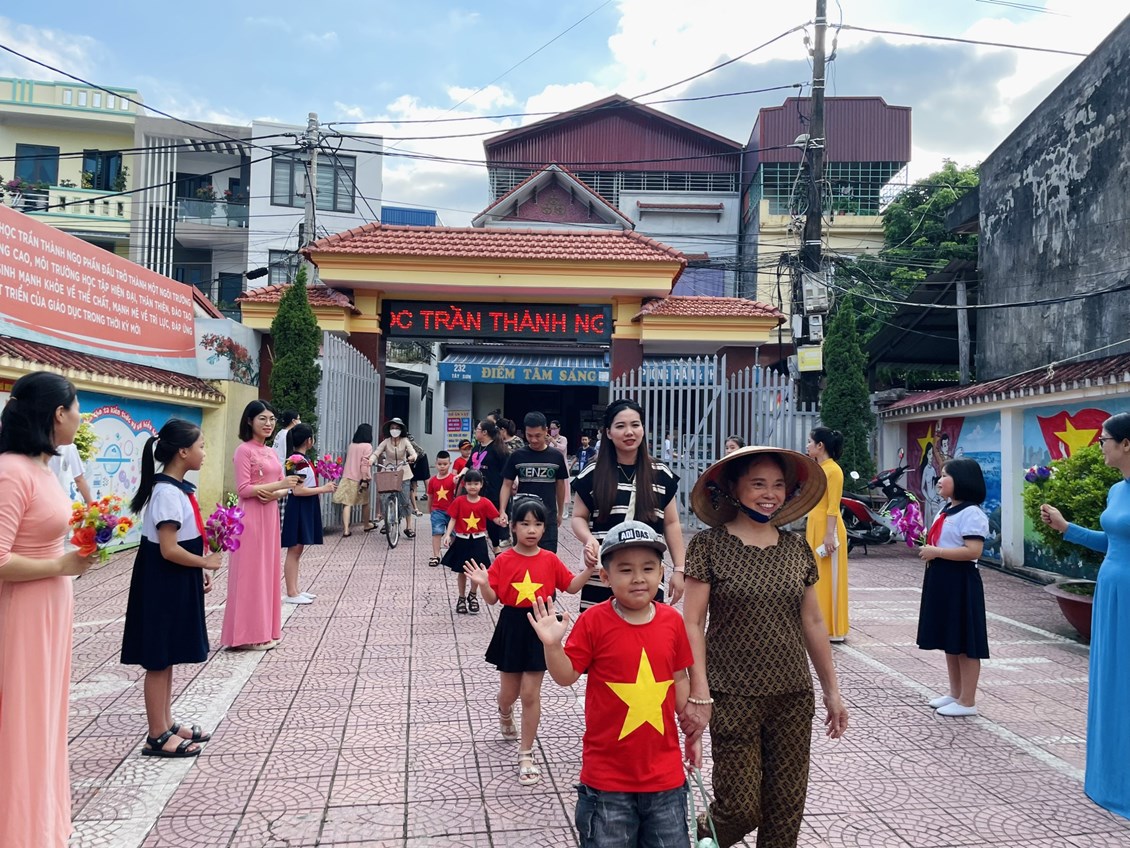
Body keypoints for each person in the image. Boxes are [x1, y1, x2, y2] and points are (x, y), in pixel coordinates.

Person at [681, 446, 849, 847]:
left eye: (777, 485)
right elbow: (692, 622)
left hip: (792, 694)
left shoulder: (796, 549)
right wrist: (699, 691)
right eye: (758, 484)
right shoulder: (708, 545)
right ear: (734, 487)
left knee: (785, 812)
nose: (769, 494)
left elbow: (813, 622)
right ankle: (689, 839)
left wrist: (832, 691)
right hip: (731, 692)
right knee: (739, 808)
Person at [530, 520, 699, 846]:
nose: (638, 578)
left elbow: (680, 678)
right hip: (606, 780)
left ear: (661, 573)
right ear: (605, 577)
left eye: (648, 568)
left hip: (665, 778)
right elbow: (566, 676)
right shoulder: (593, 621)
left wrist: (693, 731)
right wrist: (552, 646)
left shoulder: (672, 622)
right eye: (625, 570)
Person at [0, 372, 95, 848]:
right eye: (77, 408)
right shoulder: (11, 472)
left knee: (43, 719)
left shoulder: (42, 467)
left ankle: (40, 824)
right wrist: (60, 564)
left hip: (49, 609)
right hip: (22, 613)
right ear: (59, 414)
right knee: (22, 720)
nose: (80, 417)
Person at [464, 497, 591, 786]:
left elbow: (571, 586)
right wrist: (483, 585)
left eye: (537, 524)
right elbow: (493, 599)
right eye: (525, 523)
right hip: (512, 627)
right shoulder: (504, 560)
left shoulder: (550, 559)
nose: (531, 530)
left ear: (545, 528)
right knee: (509, 693)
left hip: (542, 627)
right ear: (513, 527)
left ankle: (526, 753)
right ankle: (504, 711)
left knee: (531, 693)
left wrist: (589, 570)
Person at [1040, 412, 1130, 817]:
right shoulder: (1116, 491)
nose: (1100, 446)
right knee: (1111, 678)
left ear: (1126, 444)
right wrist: (1066, 527)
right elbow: (1111, 540)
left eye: (1104, 439)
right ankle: (1108, 777)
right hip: (1111, 587)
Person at [122, 418, 222, 757]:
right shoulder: (166, 493)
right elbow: (168, 549)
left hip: (173, 579)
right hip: (162, 583)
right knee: (158, 659)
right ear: (182, 452)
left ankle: (166, 723)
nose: (204, 453)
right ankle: (157, 735)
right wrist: (204, 562)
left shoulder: (175, 488)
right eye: (201, 446)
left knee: (167, 657)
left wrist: (198, 569)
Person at [571, 399, 686, 611]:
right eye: (620, 426)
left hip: (647, 574)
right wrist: (588, 539)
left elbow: (671, 523)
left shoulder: (660, 473)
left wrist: (679, 569)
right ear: (608, 432)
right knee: (600, 626)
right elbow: (578, 517)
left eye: (635, 424)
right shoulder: (593, 472)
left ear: (643, 429)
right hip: (604, 573)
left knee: (646, 627)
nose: (629, 432)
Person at [220, 401, 301, 651]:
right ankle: (245, 636)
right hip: (250, 518)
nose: (268, 424)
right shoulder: (244, 451)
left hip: (270, 515)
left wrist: (276, 492)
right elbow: (244, 489)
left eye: (272, 419)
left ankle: (265, 630)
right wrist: (277, 487)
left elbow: (285, 485)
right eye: (262, 419)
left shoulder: (271, 452)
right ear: (249, 421)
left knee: (267, 572)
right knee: (250, 574)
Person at [915, 457, 990, 719]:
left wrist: (937, 552)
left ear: (962, 480)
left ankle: (968, 701)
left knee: (966, 641)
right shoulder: (947, 509)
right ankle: (955, 693)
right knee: (951, 639)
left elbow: (973, 550)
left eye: (946, 475)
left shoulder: (972, 513)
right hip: (942, 578)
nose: (939, 480)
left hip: (960, 581)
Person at [500, 411, 569, 553]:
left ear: (546, 431)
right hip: (522, 516)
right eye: (529, 435)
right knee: (522, 556)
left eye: (538, 435)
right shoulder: (517, 456)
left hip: (548, 515)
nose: (534, 440)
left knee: (548, 556)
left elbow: (560, 485)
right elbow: (507, 484)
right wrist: (502, 510)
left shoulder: (556, 456)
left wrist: (560, 512)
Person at [282, 424, 336, 604]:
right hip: (299, 505)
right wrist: (324, 489)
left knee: (297, 549)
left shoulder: (300, 459)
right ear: (308, 440)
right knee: (294, 549)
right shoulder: (298, 461)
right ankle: (291, 592)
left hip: (303, 505)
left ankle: (295, 590)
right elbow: (298, 490)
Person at [805, 427, 849, 641]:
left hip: (828, 528)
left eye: (810, 441)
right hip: (816, 525)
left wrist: (830, 534)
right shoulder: (819, 469)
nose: (807, 446)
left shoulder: (833, 471)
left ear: (820, 446)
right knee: (815, 578)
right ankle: (816, 623)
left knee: (828, 578)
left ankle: (832, 628)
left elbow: (833, 506)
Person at [442, 469, 507, 613]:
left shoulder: (485, 502)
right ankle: (461, 597)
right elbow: (453, 519)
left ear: (481, 484)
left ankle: (473, 595)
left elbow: (495, 518)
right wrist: (447, 535)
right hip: (461, 540)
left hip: (479, 540)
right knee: (461, 571)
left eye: (476, 483)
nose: (473, 486)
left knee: (476, 570)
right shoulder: (459, 501)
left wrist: (502, 521)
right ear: (464, 485)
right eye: (469, 483)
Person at [371, 417, 418, 538]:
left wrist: (412, 457)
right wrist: (371, 460)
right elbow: (377, 452)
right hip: (388, 471)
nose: (394, 430)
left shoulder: (405, 441)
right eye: (392, 428)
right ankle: (386, 522)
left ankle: (408, 526)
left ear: (401, 430)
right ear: (389, 429)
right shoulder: (386, 441)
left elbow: (413, 452)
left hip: (404, 472)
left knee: (405, 500)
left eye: (397, 428)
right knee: (384, 498)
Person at [471, 418, 510, 553]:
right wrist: (460, 475)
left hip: (493, 490)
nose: (475, 432)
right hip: (475, 490)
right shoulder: (476, 448)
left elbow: (506, 471)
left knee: (492, 520)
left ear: (485, 432)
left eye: (477, 429)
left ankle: (495, 546)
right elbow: (469, 465)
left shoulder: (499, 449)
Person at [332, 423, 374, 537]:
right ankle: (366, 525)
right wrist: (365, 479)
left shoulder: (352, 445)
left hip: (347, 476)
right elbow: (364, 464)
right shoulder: (367, 446)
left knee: (347, 503)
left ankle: (346, 530)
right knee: (365, 502)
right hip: (359, 479)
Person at [426, 450, 456, 567]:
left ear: (450, 464)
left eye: (445, 464)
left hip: (452, 512)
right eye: (439, 464)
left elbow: (458, 495)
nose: (442, 466)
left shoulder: (454, 479)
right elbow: (430, 497)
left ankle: (453, 555)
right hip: (437, 511)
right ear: (435, 464)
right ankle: (436, 555)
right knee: (437, 532)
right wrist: (430, 510)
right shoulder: (432, 480)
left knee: (454, 533)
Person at [49, 441, 93, 505]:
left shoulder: (36, 444)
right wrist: (90, 504)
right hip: (63, 501)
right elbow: (79, 479)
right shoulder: (68, 447)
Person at [410, 436, 430, 515]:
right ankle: (414, 494)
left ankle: (427, 493)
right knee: (413, 476)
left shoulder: (407, 441)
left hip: (421, 456)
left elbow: (417, 452)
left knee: (425, 475)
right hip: (411, 459)